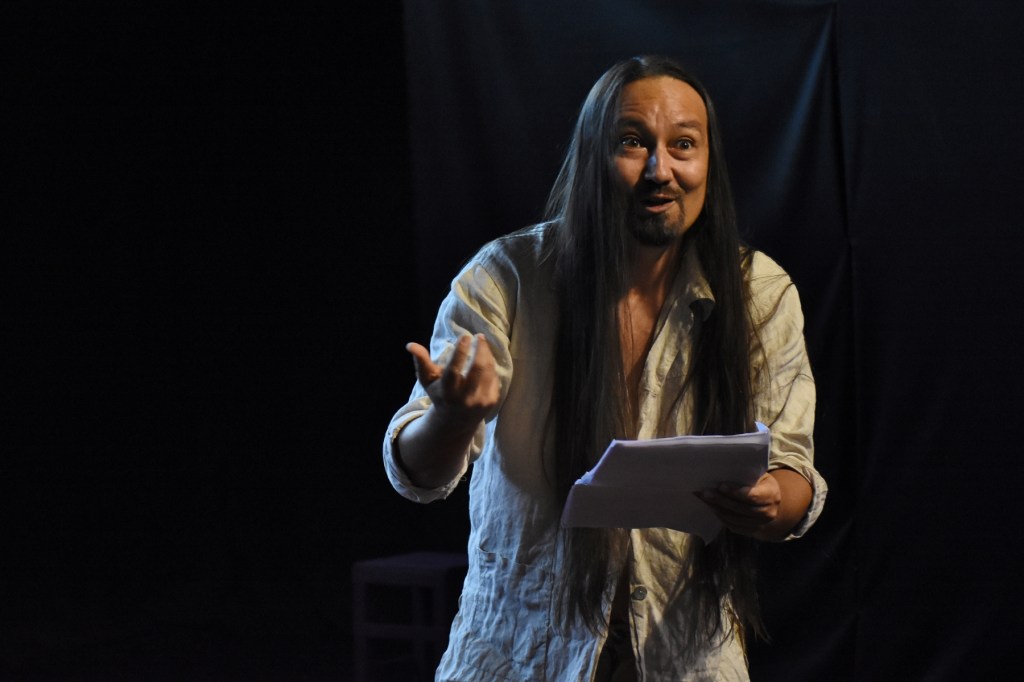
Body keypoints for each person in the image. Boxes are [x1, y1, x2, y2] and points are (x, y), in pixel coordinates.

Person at [382, 54, 827, 681]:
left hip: (688, 660)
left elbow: (794, 473)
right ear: (592, 154)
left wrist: (769, 502)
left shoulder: (760, 291)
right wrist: (453, 418)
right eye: (631, 142)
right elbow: (418, 474)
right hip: (520, 656)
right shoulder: (505, 279)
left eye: (684, 145)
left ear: (709, 161)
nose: (660, 170)